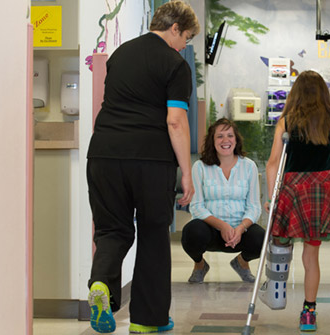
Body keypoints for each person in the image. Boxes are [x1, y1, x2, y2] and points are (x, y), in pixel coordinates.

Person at [85, 1, 199, 333]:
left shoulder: (121, 54)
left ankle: (101, 285)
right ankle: (148, 321)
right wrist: (186, 173)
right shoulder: (175, 64)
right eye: (186, 38)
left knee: (112, 230)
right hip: (150, 160)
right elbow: (175, 122)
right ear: (175, 28)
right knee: (152, 233)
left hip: (104, 154)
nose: (184, 45)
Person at [258, 70, 330, 332]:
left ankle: (276, 292)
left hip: (292, 191)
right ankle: (309, 312)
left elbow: (274, 163)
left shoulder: (287, 122)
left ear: (296, 93)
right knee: (312, 256)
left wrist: (273, 197)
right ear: (323, 93)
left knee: (281, 243)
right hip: (320, 195)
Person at [181, 118, 264, 284]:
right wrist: (222, 225)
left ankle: (242, 263)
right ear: (212, 140)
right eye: (220, 136)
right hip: (209, 231)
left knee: (261, 239)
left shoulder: (249, 167)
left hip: (240, 232)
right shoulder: (200, 167)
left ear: (236, 139)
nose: (225, 140)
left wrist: (240, 228)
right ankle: (199, 265)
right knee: (191, 232)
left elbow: (254, 207)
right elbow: (196, 207)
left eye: (230, 135)